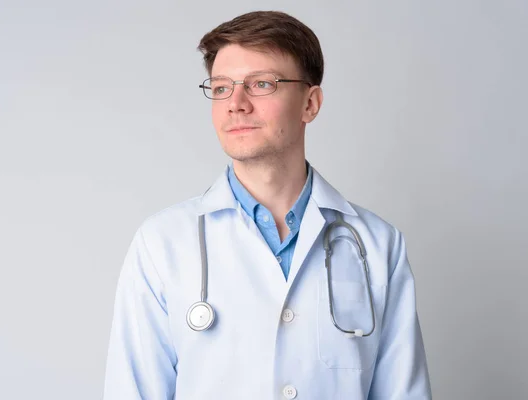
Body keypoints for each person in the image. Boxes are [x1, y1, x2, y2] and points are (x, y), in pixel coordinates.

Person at [103, 10, 432, 400]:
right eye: (222, 87)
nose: (236, 104)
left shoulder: (378, 245)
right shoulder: (162, 243)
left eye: (261, 84)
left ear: (310, 103)